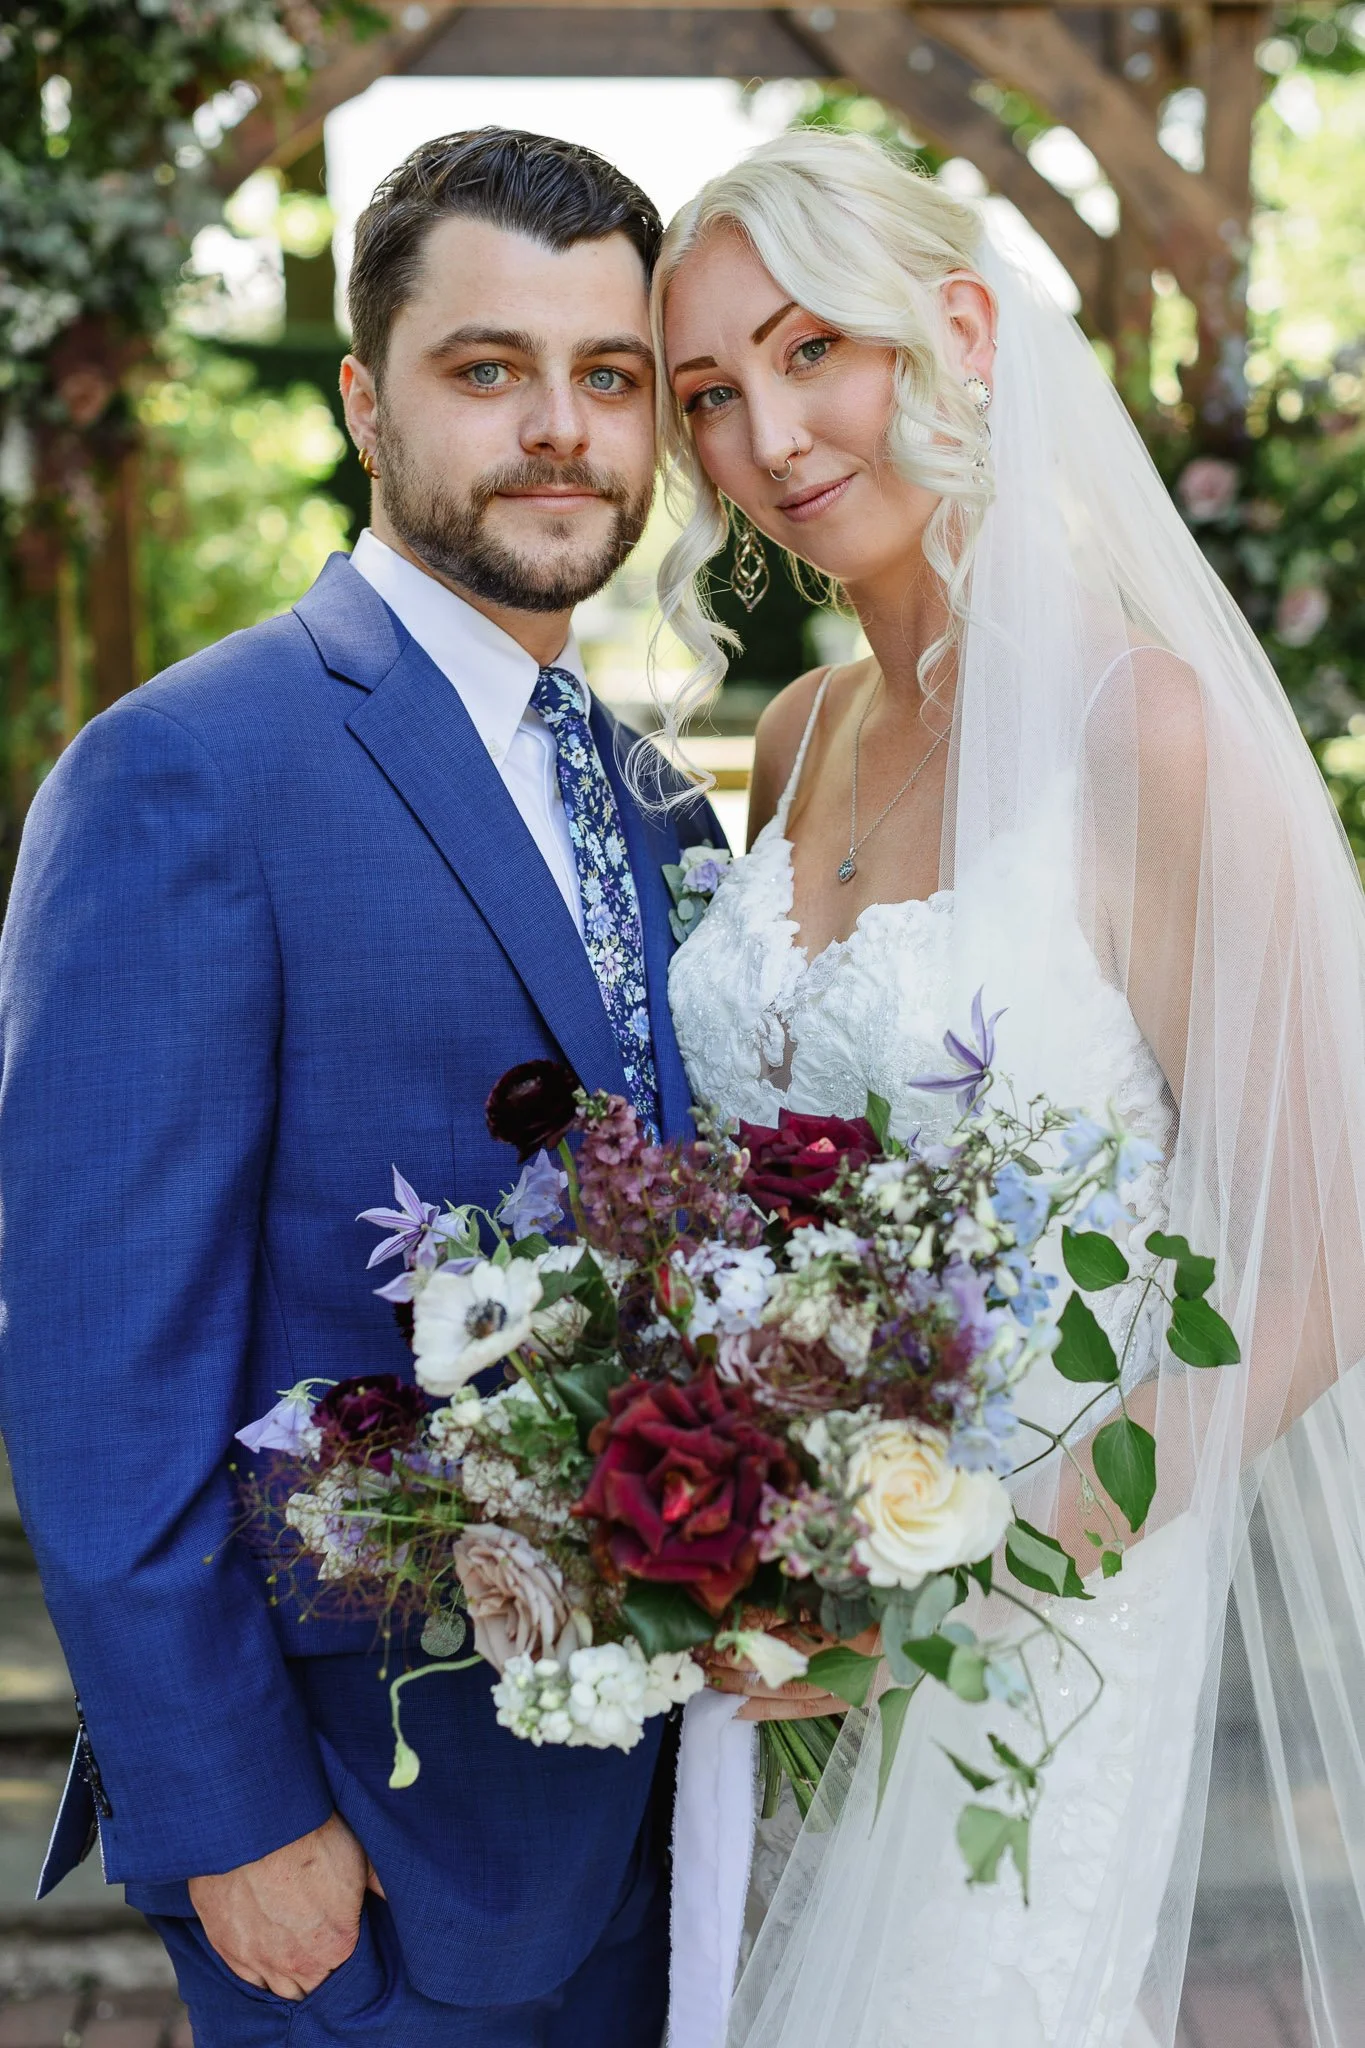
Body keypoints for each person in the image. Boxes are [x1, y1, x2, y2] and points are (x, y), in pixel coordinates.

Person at [0, 127, 723, 2048]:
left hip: (680, 1816)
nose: (556, 430)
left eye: (609, 377)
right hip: (370, 1843)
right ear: (364, 401)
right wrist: (228, 1809)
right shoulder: (188, 774)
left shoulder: (655, 804)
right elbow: (95, 1368)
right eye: (486, 372)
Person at [656, 130, 1365, 2048]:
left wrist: (946, 1576)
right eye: (713, 395)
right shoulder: (801, 734)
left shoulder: (1147, 732)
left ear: (956, 330)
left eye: (816, 352)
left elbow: (1321, 1265)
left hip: (1045, 1612)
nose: (770, 435)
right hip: (773, 1627)